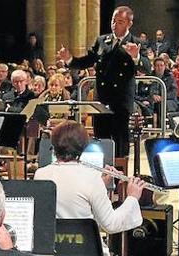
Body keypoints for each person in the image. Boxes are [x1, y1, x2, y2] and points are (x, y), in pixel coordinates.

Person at [34, 120, 145, 256]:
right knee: (85, 242)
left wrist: (102, 184)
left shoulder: (40, 174)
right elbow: (110, 224)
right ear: (83, 148)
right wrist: (132, 198)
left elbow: (68, 201)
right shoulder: (90, 177)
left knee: (67, 239)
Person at [57, 6, 142, 157]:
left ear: (129, 23)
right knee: (100, 142)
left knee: (119, 143)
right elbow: (87, 61)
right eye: (113, 21)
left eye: (120, 22)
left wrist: (136, 57)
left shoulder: (135, 42)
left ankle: (120, 176)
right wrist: (69, 59)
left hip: (120, 101)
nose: (115, 25)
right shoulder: (103, 41)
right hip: (101, 99)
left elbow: (147, 66)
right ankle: (102, 177)